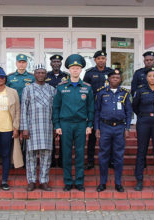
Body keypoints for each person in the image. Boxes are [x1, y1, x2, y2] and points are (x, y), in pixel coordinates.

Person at [53, 54, 94, 192]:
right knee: (66, 154)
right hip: (65, 125)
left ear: (81, 70)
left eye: (78, 68)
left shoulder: (87, 88)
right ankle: (68, 181)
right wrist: (57, 125)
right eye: (73, 68)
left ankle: (80, 181)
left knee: (80, 153)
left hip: (81, 124)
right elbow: (56, 107)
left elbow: (91, 108)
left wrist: (89, 125)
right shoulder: (61, 87)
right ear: (69, 70)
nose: (75, 70)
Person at [94, 69, 132, 193]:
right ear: (108, 79)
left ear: (120, 79)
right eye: (113, 77)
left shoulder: (125, 93)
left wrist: (127, 128)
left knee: (118, 156)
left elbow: (128, 112)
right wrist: (97, 128)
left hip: (120, 128)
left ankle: (118, 183)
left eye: (117, 77)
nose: (115, 79)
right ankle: (103, 182)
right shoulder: (101, 93)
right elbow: (97, 112)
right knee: (103, 155)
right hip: (105, 127)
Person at [21, 64, 56, 191]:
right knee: (30, 155)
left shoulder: (52, 89)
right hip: (32, 127)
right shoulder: (28, 89)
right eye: (38, 72)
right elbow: (23, 109)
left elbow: (55, 110)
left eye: (43, 73)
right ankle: (31, 181)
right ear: (34, 74)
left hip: (47, 127)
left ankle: (43, 181)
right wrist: (24, 128)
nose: (40, 75)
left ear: (46, 74)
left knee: (46, 155)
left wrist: (55, 126)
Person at [83, 50, 113, 170]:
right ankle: (90, 161)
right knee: (92, 137)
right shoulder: (90, 73)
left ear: (106, 59)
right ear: (95, 60)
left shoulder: (110, 72)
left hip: (108, 108)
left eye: (103, 58)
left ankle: (109, 161)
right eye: (98, 58)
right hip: (94, 108)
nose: (101, 60)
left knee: (108, 135)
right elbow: (85, 90)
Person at [46, 54, 69, 168]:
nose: (56, 64)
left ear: (61, 63)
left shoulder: (66, 76)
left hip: (63, 109)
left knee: (63, 136)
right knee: (50, 136)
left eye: (58, 62)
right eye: (54, 61)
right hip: (49, 109)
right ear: (50, 63)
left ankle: (61, 160)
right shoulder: (46, 76)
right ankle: (50, 160)